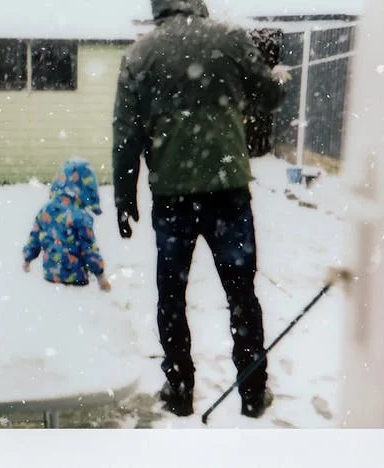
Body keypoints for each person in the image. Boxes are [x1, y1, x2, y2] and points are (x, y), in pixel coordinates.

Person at [111, 0, 289, 417]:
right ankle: (251, 391)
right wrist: (278, 80)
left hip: (173, 195)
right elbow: (268, 97)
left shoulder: (140, 55)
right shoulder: (229, 39)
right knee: (242, 295)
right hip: (227, 190)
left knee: (171, 296)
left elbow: (125, 133)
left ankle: (179, 389)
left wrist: (124, 195)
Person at [23, 159, 112, 292]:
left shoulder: (46, 210)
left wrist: (28, 258)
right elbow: (89, 249)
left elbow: (35, 237)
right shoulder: (80, 216)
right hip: (76, 278)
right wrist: (100, 275)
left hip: (50, 276)